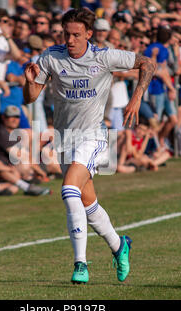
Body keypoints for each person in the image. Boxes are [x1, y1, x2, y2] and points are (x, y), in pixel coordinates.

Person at [23, 8, 156, 284]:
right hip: (63, 139)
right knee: (87, 203)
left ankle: (80, 264)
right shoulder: (50, 57)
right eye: (66, 34)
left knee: (69, 189)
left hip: (93, 136)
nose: (70, 40)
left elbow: (148, 63)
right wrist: (28, 82)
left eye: (76, 34)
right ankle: (120, 246)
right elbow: (30, 97)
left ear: (88, 34)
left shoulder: (104, 56)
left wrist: (137, 96)